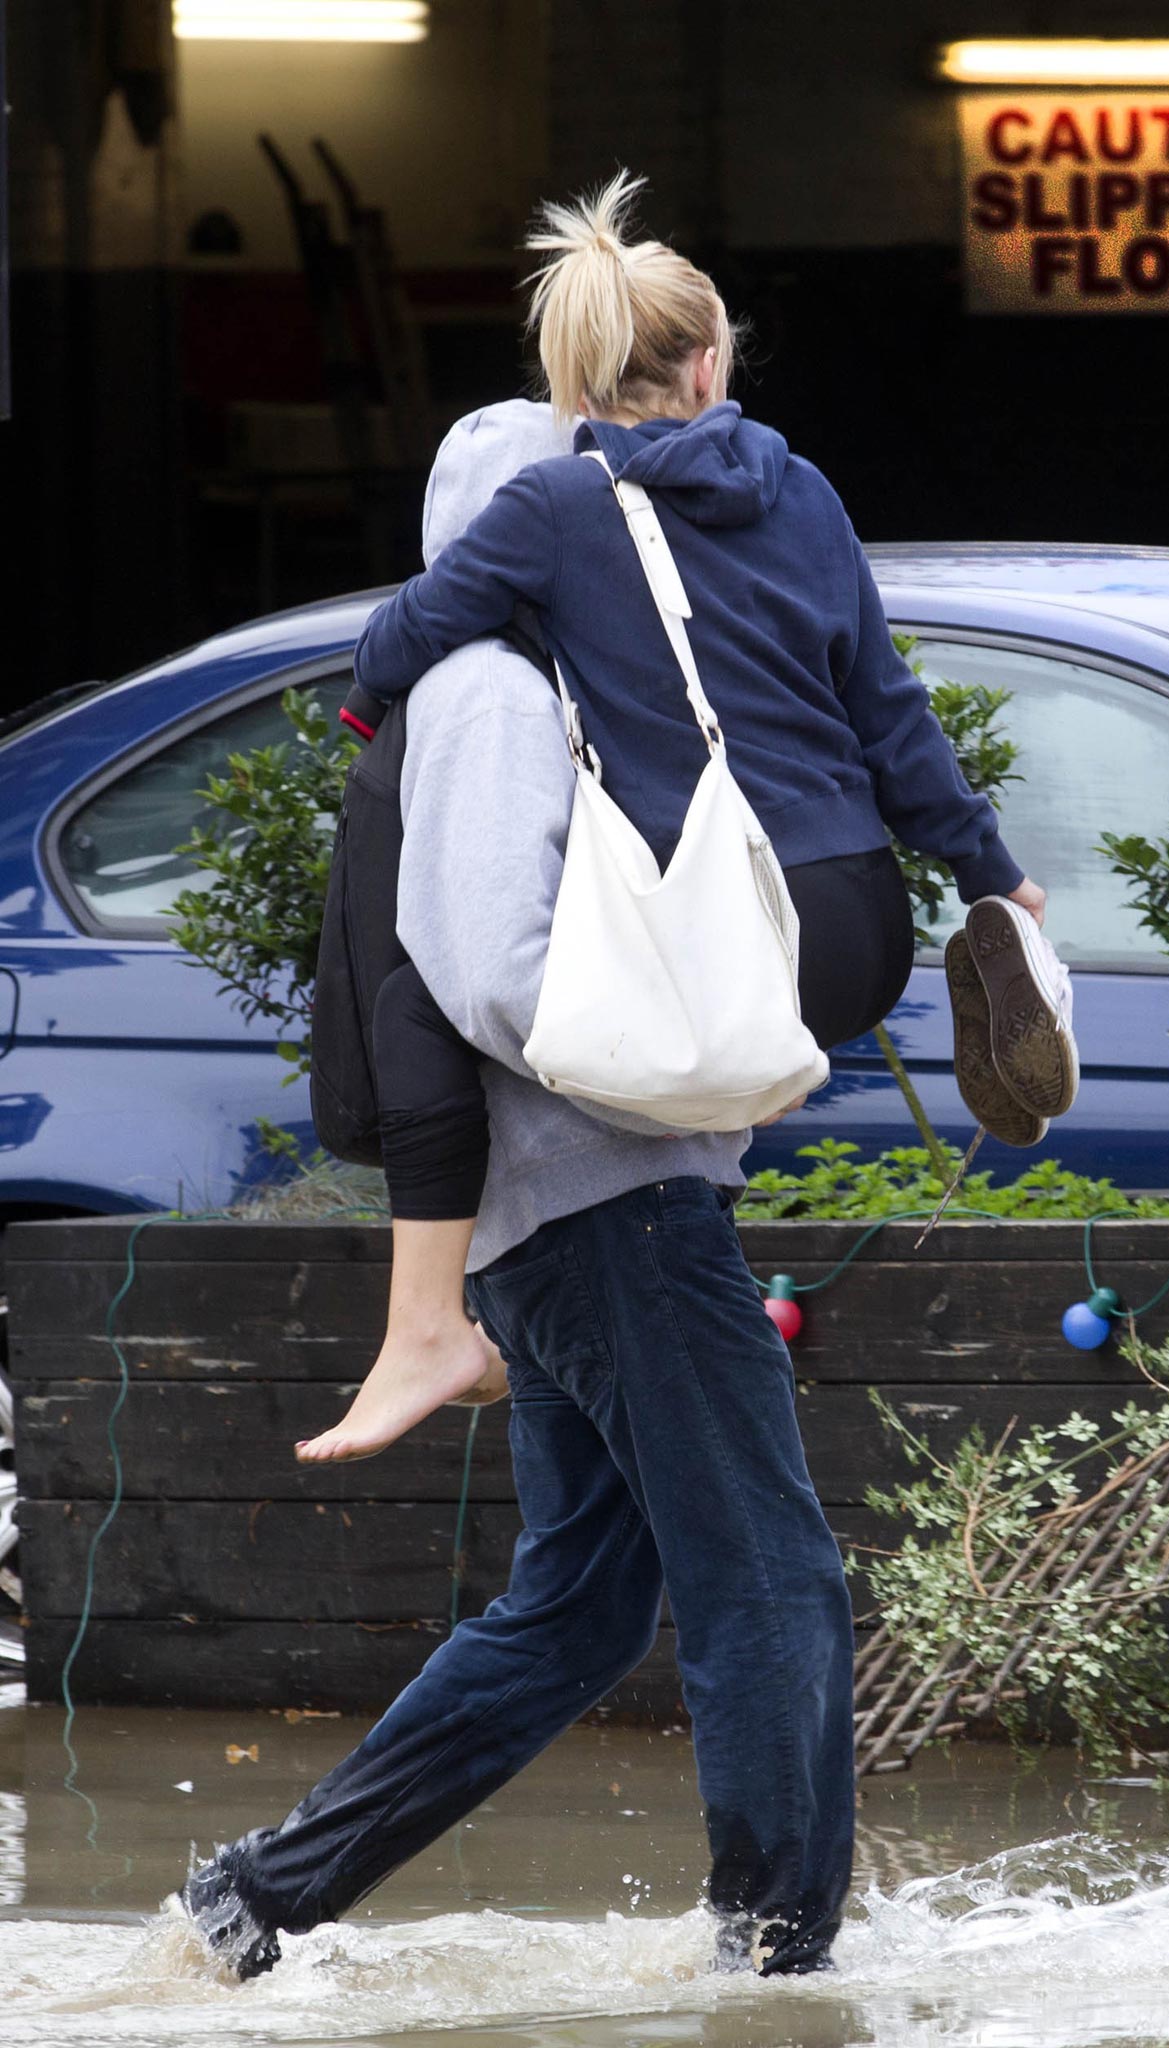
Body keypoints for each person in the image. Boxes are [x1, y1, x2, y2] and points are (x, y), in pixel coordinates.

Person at [180, 397, 852, 1980]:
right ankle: (781, 1956)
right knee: (772, 1579)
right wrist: (693, 1053)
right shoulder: (487, 691)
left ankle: (259, 1897)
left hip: (573, 1221)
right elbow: (491, 974)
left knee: (583, 1613)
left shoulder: (535, 677)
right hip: (612, 1215)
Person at [295, 170, 1068, 1469]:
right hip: (856, 930)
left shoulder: (552, 507)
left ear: (578, 390)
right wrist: (993, 870)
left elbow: (407, 632)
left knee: (429, 985)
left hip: (720, 925)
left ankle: (436, 1322)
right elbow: (890, 716)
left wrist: (378, 734)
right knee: (684, 1050)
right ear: (712, 367)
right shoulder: (806, 494)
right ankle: (973, 970)